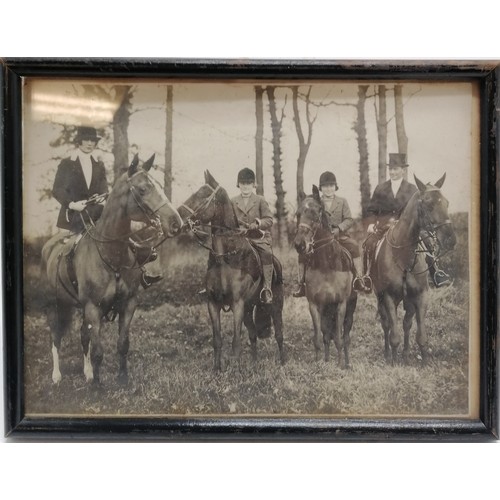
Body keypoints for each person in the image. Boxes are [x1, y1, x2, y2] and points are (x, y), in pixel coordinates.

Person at [52, 126, 161, 288]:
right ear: (79, 142)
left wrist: (101, 197)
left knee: (120, 233)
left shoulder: (99, 164)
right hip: (75, 213)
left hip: (96, 211)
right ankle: (72, 280)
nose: (90, 144)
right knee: (74, 245)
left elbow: (103, 188)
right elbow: (57, 190)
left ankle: (142, 274)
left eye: (92, 141)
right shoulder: (67, 164)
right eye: (86, 140)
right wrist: (73, 204)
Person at [361, 153, 452, 289]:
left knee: (427, 242)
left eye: (396, 169)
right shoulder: (380, 188)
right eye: (390, 169)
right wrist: (371, 223)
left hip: (407, 228)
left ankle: (436, 273)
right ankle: (367, 277)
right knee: (368, 244)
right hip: (384, 227)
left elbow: (418, 210)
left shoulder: (412, 189)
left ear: (403, 170)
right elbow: (371, 209)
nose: (392, 172)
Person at [292, 171, 369, 297]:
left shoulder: (342, 201)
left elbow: (349, 219)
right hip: (320, 239)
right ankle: (301, 284)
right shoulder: (315, 202)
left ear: (335, 187)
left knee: (354, 246)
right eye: (325, 186)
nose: (328, 189)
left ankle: (358, 278)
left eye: (331, 186)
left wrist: (339, 228)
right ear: (321, 188)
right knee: (303, 254)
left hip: (340, 236)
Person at [231, 168, 274, 304]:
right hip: (239, 238)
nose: (245, 186)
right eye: (243, 183)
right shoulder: (232, 201)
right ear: (239, 185)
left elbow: (269, 220)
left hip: (258, 238)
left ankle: (267, 288)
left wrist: (258, 223)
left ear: (253, 185)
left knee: (267, 253)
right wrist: (238, 228)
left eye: (248, 183)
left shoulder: (260, 200)